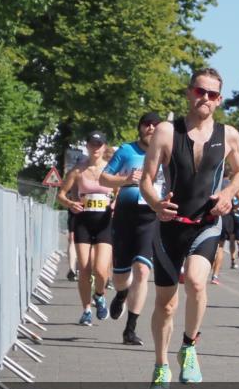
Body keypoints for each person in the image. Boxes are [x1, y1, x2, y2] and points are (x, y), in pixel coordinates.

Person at [140, 68, 239, 389]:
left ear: (219, 100)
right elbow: (146, 178)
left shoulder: (229, 134)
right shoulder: (165, 132)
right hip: (170, 226)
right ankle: (161, 367)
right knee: (166, 304)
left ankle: (189, 346)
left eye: (212, 95)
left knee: (199, 282)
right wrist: (156, 204)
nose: (205, 99)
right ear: (190, 93)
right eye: (200, 92)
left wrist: (228, 194)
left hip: (206, 223)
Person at [99, 112, 163, 346]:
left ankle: (130, 329)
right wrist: (125, 180)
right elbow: (103, 178)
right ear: (140, 128)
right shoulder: (127, 151)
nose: (151, 128)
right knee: (120, 276)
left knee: (143, 271)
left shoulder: (167, 154)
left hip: (151, 218)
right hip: (126, 217)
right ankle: (121, 293)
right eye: (147, 124)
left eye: (156, 125)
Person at [57, 132, 114, 326]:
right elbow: (61, 195)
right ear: (87, 146)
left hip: (105, 222)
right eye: (92, 144)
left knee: (100, 270)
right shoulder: (78, 170)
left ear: (105, 147)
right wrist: (70, 203)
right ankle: (87, 310)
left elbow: (121, 190)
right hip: (84, 221)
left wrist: (116, 205)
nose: (96, 148)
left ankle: (99, 295)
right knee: (84, 269)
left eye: (99, 144)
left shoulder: (111, 170)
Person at [211, 168, 238, 284]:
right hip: (226, 216)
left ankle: (203, 271)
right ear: (230, 174)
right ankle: (215, 276)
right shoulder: (232, 185)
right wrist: (233, 206)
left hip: (213, 214)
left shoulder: (214, 181)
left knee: (211, 244)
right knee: (221, 247)